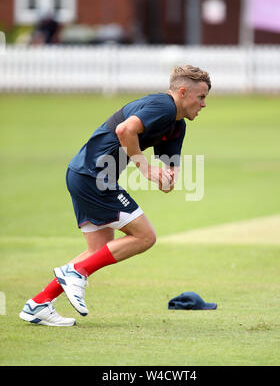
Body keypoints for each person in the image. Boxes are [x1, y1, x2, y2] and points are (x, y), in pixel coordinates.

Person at [19, 65, 211, 326]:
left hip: (84, 173)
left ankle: (38, 303)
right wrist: (145, 168)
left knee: (99, 251)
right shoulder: (163, 106)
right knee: (145, 236)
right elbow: (124, 130)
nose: (203, 105)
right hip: (94, 175)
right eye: (201, 97)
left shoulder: (176, 126)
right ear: (183, 91)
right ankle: (75, 272)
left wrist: (167, 178)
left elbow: (168, 168)